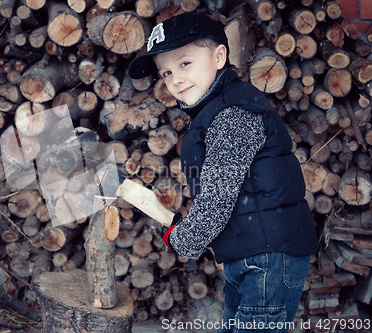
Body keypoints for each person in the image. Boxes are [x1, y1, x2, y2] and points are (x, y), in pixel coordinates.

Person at [128, 11, 319, 333]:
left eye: (185, 63)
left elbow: (218, 199)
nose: (175, 79)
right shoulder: (216, 111)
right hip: (253, 252)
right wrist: (182, 227)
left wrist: (185, 240)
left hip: (268, 256)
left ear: (219, 56)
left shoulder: (233, 113)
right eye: (166, 73)